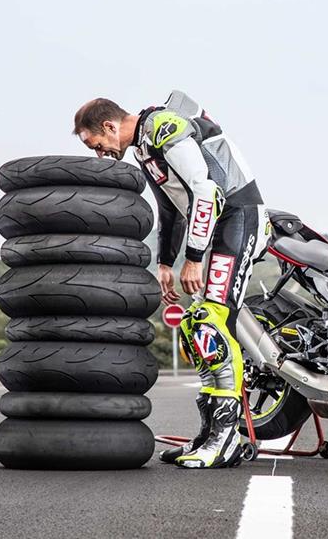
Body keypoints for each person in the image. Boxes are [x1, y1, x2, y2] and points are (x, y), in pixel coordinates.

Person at [73, 91, 270, 469]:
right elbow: (170, 208)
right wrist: (165, 262)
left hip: (240, 219)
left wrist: (192, 260)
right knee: (198, 326)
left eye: (96, 144)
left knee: (211, 321)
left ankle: (227, 439)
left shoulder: (164, 127)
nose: (98, 154)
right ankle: (211, 431)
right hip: (220, 228)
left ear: (110, 127)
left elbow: (204, 191)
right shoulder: (145, 147)